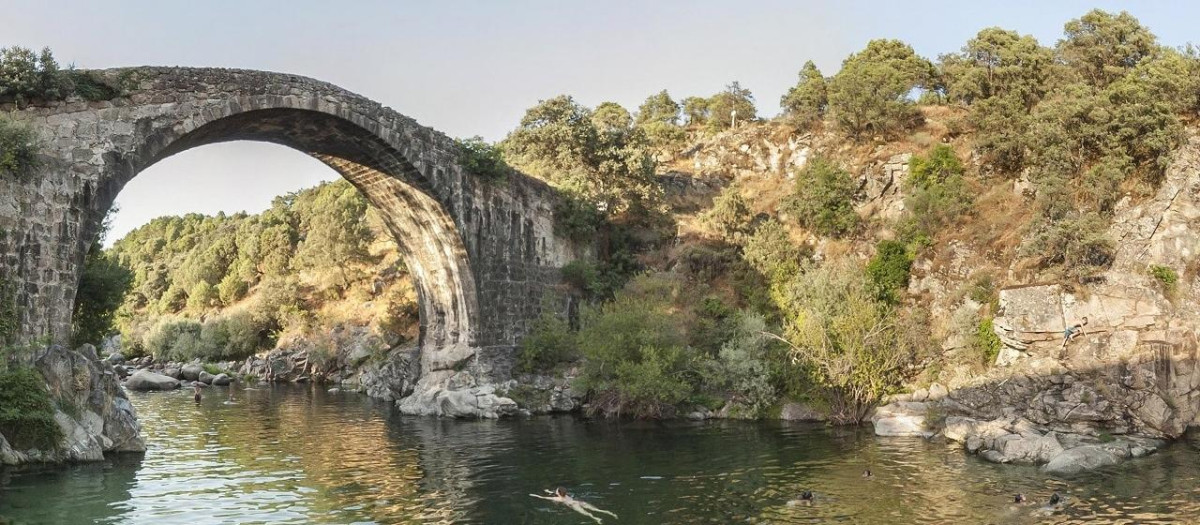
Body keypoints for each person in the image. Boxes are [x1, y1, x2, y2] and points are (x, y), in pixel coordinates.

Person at [530, 487, 618, 524]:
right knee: (597, 510)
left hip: (574, 505)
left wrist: (535, 495)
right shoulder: (565, 495)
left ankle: (597, 519)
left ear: (559, 493)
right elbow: (555, 493)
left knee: (588, 514)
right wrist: (548, 491)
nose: (555, 491)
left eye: (557, 491)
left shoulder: (558, 499)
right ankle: (610, 513)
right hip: (579, 502)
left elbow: (543, 498)